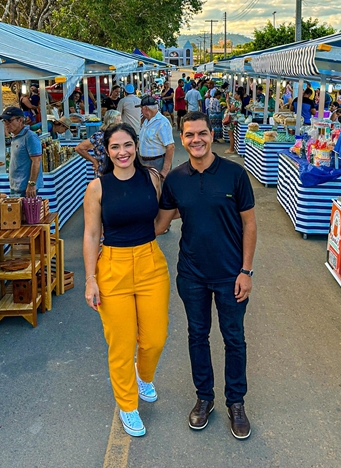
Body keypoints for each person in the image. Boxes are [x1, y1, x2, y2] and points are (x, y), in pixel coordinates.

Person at [155, 111, 257, 440]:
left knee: (234, 339)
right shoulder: (176, 180)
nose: (195, 140)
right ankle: (204, 398)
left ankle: (236, 403)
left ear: (212, 135)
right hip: (192, 275)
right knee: (197, 336)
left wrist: (246, 270)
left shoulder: (234, 175)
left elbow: (250, 224)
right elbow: (160, 223)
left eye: (201, 133)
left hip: (231, 275)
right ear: (182, 139)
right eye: (189, 135)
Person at [83, 124, 170, 438]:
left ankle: (144, 377)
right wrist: (90, 279)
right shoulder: (97, 188)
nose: (123, 152)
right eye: (115, 147)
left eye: (128, 145)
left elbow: (162, 219)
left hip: (150, 263)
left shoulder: (152, 178)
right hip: (112, 268)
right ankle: (127, 405)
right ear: (107, 151)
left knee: (155, 338)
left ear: (136, 146)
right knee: (120, 345)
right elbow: (92, 234)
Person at [0, 106, 43, 197]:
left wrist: (31, 184)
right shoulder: (15, 136)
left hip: (25, 189)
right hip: (16, 186)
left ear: (20, 120)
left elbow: (36, 161)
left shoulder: (30, 137)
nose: (6, 124)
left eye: (9, 121)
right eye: (4, 121)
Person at [75, 110, 121, 177]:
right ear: (112, 122)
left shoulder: (119, 134)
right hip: (104, 172)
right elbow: (79, 148)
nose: (121, 123)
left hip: (117, 171)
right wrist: (94, 161)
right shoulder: (99, 136)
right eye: (119, 121)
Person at [137, 96, 175, 177]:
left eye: (141, 108)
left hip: (156, 163)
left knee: (158, 188)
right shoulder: (146, 120)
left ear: (146, 108)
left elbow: (170, 147)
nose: (140, 110)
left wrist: (165, 170)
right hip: (144, 162)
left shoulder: (162, 123)